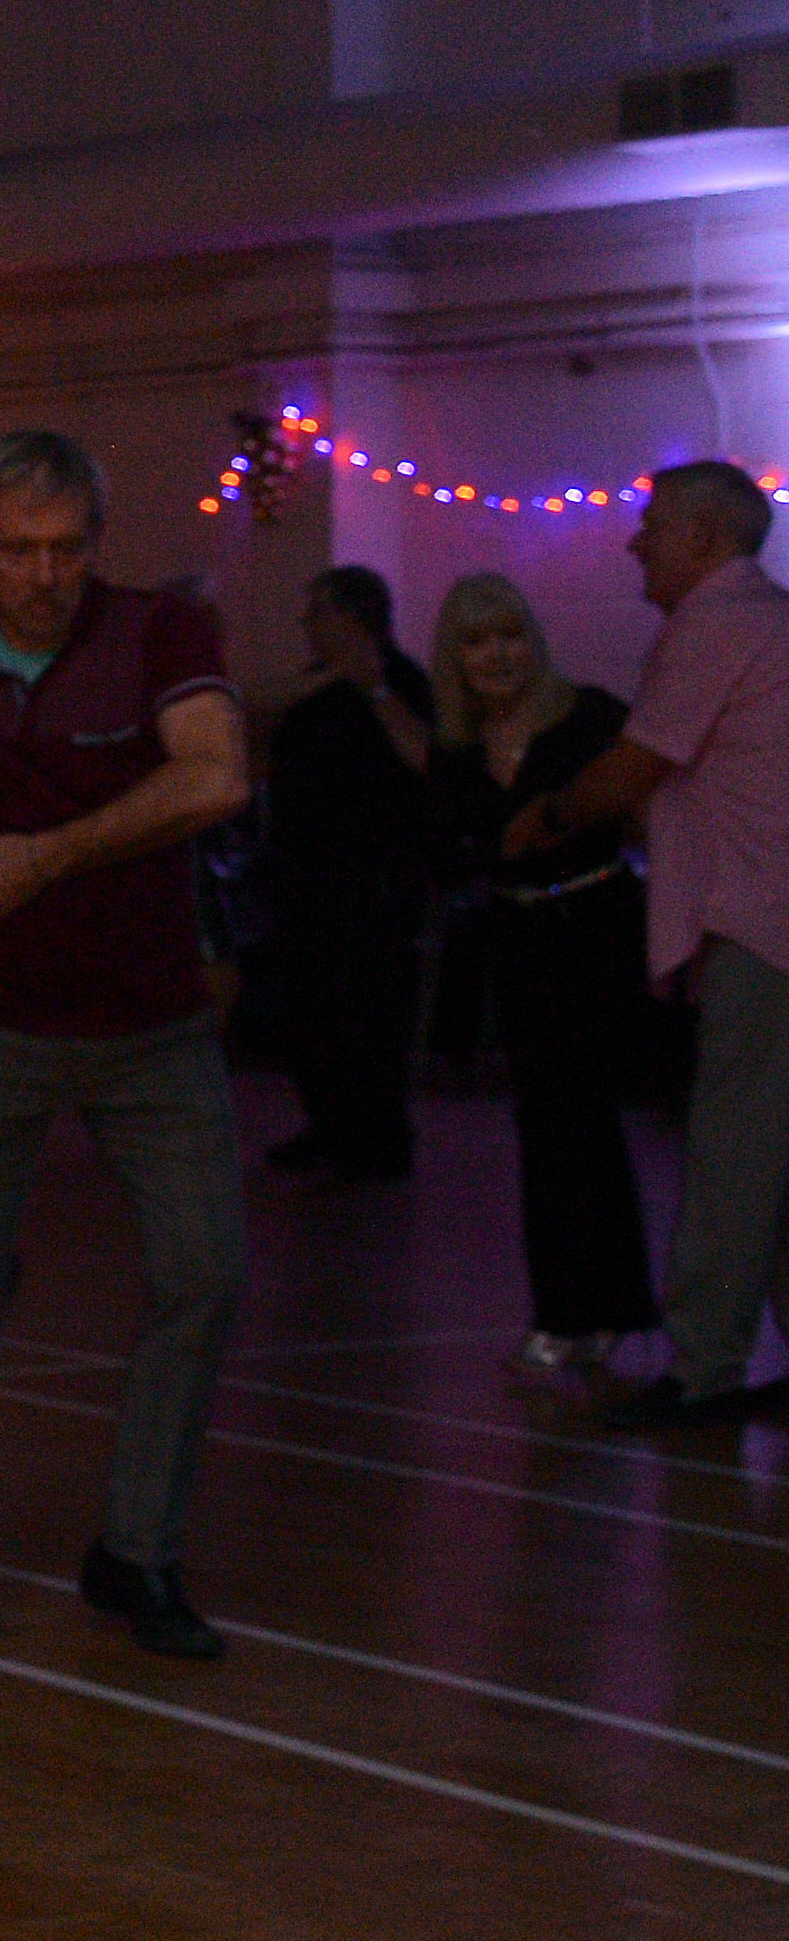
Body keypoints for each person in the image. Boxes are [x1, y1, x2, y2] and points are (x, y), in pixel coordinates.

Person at [0, 430, 252, 1659]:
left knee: (204, 1272)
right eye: (20, 550)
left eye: (68, 550)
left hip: (153, 1024)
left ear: (98, 544)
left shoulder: (159, 631)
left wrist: (43, 857)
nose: (45, 576)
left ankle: (137, 1550)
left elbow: (215, 778)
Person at [506, 461, 789, 1429]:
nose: (636, 541)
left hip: (762, 921)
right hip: (768, 914)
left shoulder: (714, 624)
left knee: (736, 1144)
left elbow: (632, 771)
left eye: (654, 524)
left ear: (706, 538)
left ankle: (704, 1367)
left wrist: (547, 814)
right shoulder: (770, 619)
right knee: (773, 1146)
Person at [414, 572, 655, 1375]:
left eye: (511, 635)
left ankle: (603, 1307)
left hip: (599, 924)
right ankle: (570, 1308)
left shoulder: (589, 719)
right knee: (546, 1123)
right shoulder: (454, 750)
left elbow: (645, 812)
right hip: (520, 937)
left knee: (587, 1117)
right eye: (477, 641)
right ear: (455, 657)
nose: (498, 655)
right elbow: (449, 852)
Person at [258, 567, 436, 1181]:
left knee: (367, 1014)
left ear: (350, 617)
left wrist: (370, 687)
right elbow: (253, 711)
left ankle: (377, 1143)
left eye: (317, 612)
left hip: (371, 884)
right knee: (312, 1010)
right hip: (307, 878)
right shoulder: (317, 685)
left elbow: (427, 762)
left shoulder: (402, 682)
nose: (306, 624)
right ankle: (328, 1127)